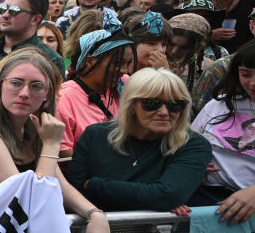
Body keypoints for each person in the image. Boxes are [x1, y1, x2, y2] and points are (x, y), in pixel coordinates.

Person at [0, 49, 110, 233]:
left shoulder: (33, 127)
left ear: (48, 93)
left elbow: (61, 185)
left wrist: (94, 213)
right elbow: (31, 201)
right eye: (16, 82)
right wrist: (51, 144)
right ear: (0, 84)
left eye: (36, 86)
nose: (24, 93)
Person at [67, 68, 212, 212]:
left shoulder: (193, 145)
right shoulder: (96, 135)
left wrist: (94, 185)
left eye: (174, 104)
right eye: (152, 103)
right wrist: (153, 200)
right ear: (131, 105)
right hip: (92, 230)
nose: (164, 112)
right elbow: (72, 193)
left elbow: (168, 196)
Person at [189, 41, 255, 221]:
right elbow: (188, 147)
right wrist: (192, 168)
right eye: (246, 74)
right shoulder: (218, 105)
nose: (253, 83)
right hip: (205, 205)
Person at [57, 27, 135, 154]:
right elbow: (64, 154)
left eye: (128, 63)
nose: (124, 70)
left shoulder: (125, 85)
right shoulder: (64, 98)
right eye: (118, 63)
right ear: (90, 61)